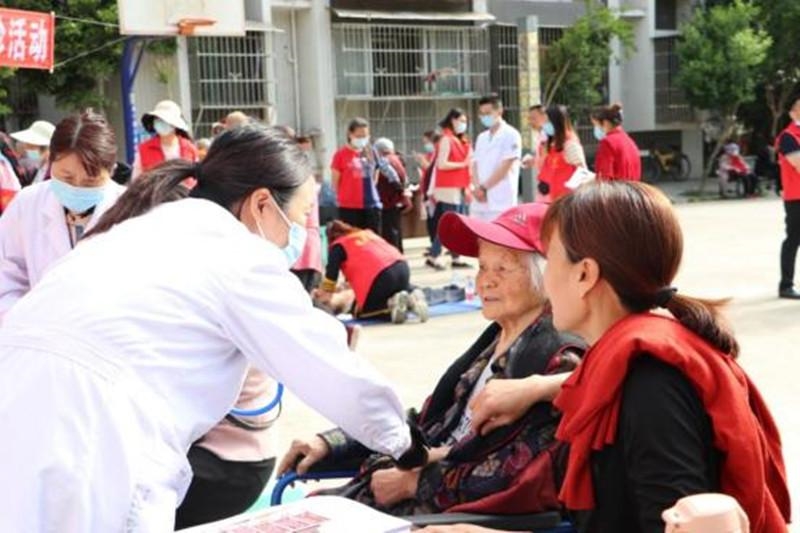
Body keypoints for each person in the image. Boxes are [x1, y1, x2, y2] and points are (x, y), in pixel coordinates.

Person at [0, 125, 429, 532]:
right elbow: (328, 366)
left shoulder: (139, 226)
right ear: (262, 204)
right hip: (95, 435)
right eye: (299, 217)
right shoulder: (239, 256)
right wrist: (406, 445)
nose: (296, 235)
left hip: (16, 403)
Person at [446, 181, 790, 533]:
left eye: (550, 260)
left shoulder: (653, 389)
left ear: (585, 274)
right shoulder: (620, 360)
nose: (545, 279)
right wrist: (537, 387)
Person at [280, 203, 583, 516]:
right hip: (399, 495)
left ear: (547, 275)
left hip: (449, 518)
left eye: (503, 269)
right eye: (482, 267)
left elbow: (523, 472)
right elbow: (430, 423)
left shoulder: (558, 358)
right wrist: (331, 442)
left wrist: (415, 483)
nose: (485, 281)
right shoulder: (496, 341)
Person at [0, 110, 126, 320]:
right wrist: (26, 319)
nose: (77, 187)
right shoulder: (27, 204)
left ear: (111, 170)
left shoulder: (132, 210)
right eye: (66, 177)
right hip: (37, 327)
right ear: (51, 161)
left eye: (90, 182)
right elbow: (6, 275)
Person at [316, 220, 428, 324]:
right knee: (394, 287)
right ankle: (412, 295)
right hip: (402, 267)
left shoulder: (338, 245)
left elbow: (331, 277)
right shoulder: (366, 233)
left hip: (380, 276)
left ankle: (390, 304)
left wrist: (324, 293)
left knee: (361, 312)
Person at [427, 108, 473, 270]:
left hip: (457, 185)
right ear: (453, 120)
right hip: (448, 187)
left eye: (465, 121)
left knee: (456, 223)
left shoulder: (457, 139)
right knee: (451, 224)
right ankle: (434, 254)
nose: (464, 124)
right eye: (461, 121)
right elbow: (442, 163)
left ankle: (455, 256)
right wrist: (463, 164)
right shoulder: (447, 139)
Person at [471, 95, 522, 222]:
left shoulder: (511, 135)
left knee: (499, 232)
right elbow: (475, 165)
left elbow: (505, 166)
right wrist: (477, 188)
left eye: (488, 113)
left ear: (499, 111)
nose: (484, 117)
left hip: (501, 199)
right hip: (479, 200)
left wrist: (484, 188)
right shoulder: (481, 137)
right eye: (482, 114)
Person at [331, 117, 383, 233]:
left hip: (371, 204)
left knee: (373, 239)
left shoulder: (371, 152)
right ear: (350, 135)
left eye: (365, 136)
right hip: (349, 206)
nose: (362, 139)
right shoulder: (340, 155)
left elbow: (375, 175)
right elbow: (335, 182)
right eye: (359, 136)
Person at [133, 100, 199, 179]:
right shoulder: (144, 149)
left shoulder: (190, 148)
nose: (161, 123)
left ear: (175, 124)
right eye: (158, 120)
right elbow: (136, 179)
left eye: (165, 121)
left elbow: (197, 178)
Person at [776, 95, 800, 299]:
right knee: (793, 239)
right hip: (796, 197)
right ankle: (786, 285)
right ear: (792, 113)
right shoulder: (788, 136)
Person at [537, 105, 586, 202]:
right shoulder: (552, 142)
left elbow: (582, 171)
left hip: (568, 199)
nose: (544, 125)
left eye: (547, 121)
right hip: (553, 197)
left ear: (557, 122)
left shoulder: (570, 143)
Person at [374, 137, 410, 252]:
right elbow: (405, 178)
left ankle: (393, 255)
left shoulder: (384, 161)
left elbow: (393, 177)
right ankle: (399, 253)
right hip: (397, 200)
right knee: (396, 229)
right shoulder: (396, 159)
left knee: (389, 231)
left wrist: (398, 188)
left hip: (387, 200)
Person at [591, 103, 641, 181]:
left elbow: (603, 178)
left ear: (605, 123)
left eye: (596, 125)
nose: (596, 128)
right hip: (632, 187)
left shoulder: (607, 143)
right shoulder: (629, 140)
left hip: (617, 188)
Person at [416, 130, 441, 251]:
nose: (426, 145)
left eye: (427, 142)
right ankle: (433, 244)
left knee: (436, 220)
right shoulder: (428, 155)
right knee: (430, 220)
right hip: (427, 190)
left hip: (435, 192)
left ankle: (437, 246)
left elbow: (431, 169)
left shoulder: (438, 154)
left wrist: (423, 162)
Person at [10, 120, 56, 184]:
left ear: (47, 149)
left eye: (31, 147)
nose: (27, 151)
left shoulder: (56, 173)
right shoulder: (38, 169)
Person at [521, 104, 549, 173]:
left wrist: (534, 161)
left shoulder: (549, 135)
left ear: (544, 117)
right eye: (529, 119)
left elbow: (548, 159)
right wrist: (533, 161)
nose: (530, 122)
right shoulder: (540, 134)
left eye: (533, 118)